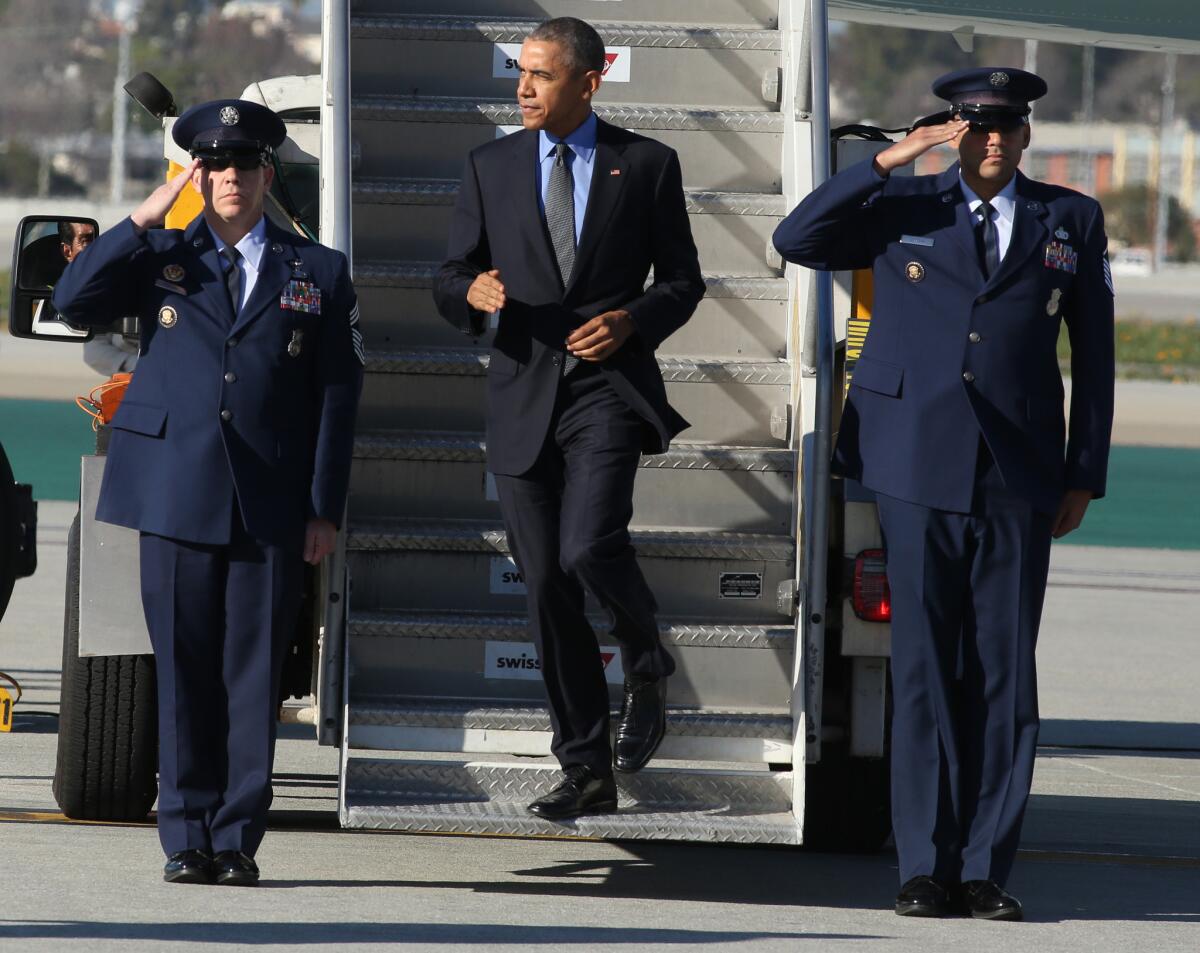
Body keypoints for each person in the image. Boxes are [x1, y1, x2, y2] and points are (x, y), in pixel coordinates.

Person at [773, 67, 1114, 920]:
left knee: (1005, 673)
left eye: (1006, 125)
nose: (991, 139)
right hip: (914, 464)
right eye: (974, 124)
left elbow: (1097, 356)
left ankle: (986, 868)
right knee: (922, 665)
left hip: (1018, 472)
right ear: (951, 130)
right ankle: (924, 864)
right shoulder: (905, 206)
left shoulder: (1068, 219)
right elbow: (796, 237)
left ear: (1027, 133)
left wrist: (1083, 472)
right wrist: (890, 159)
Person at [52, 98, 363, 885]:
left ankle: (236, 839)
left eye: (244, 165)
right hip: (175, 493)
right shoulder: (160, 255)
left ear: (267, 174)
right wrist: (144, 215)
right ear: (200, 174)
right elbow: (72, 300)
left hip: (271, 499)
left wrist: (324, 508)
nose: (231, 178)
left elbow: (336, 392)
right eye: (215, 166)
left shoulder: (316, 269)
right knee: (183, 667)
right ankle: (185, 834)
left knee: (251, 675)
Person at [433, 16, 705, 820]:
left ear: (589, 82)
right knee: (547, 583)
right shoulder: (491, 165)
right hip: (521, 397)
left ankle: (645, 650)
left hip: (606, 392)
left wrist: (632, 320)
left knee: (589, 545)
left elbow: (684, 281)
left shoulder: (647, 165)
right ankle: (585, 765)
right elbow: (449, 276)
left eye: (542, 75)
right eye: (521, 72)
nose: (523, 87)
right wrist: (469, 294)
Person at [29, 221, 94, 337]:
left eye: (97, 241)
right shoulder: (55, 300)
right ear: (67, 251)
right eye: (86, 242)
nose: (97, 249)